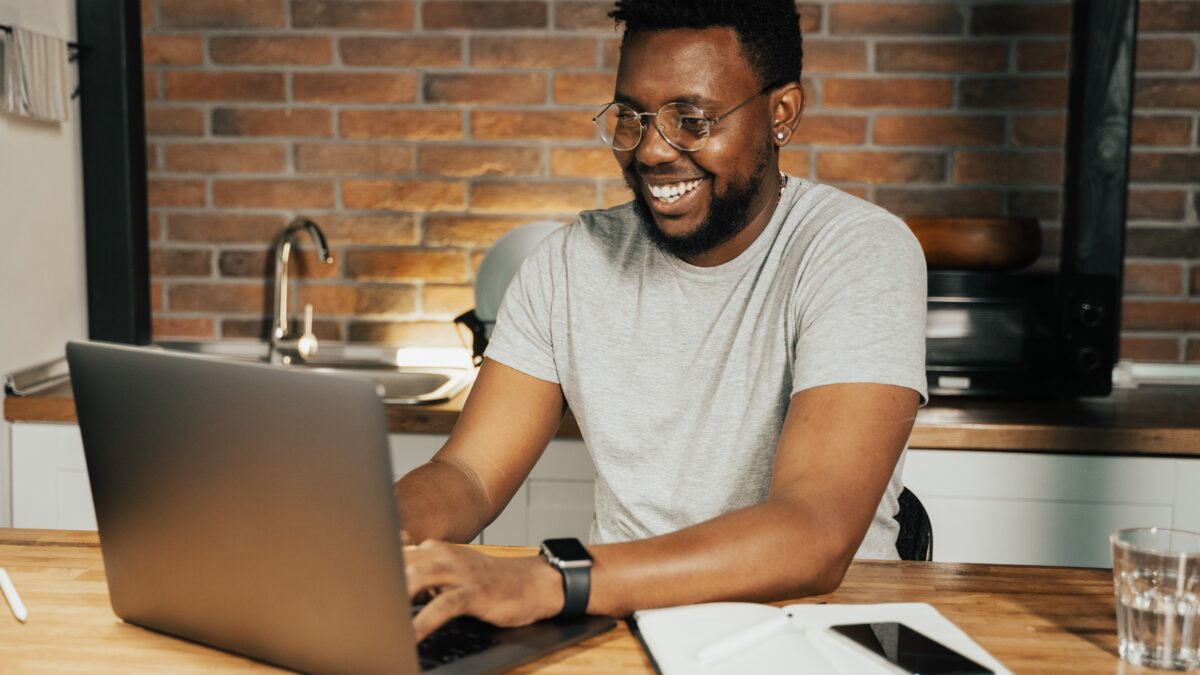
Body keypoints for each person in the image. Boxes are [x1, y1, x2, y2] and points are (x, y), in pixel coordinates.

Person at [396, 0, 927, 641]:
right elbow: (469, 476)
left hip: (816, 634)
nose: (650, 151)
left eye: (691, 120)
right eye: (633, 118)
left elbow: (813, 534)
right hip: (620, 626)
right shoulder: (570, 263)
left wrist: (547, 580)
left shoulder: (856, 250)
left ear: (782, 113)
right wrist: (375, 533)